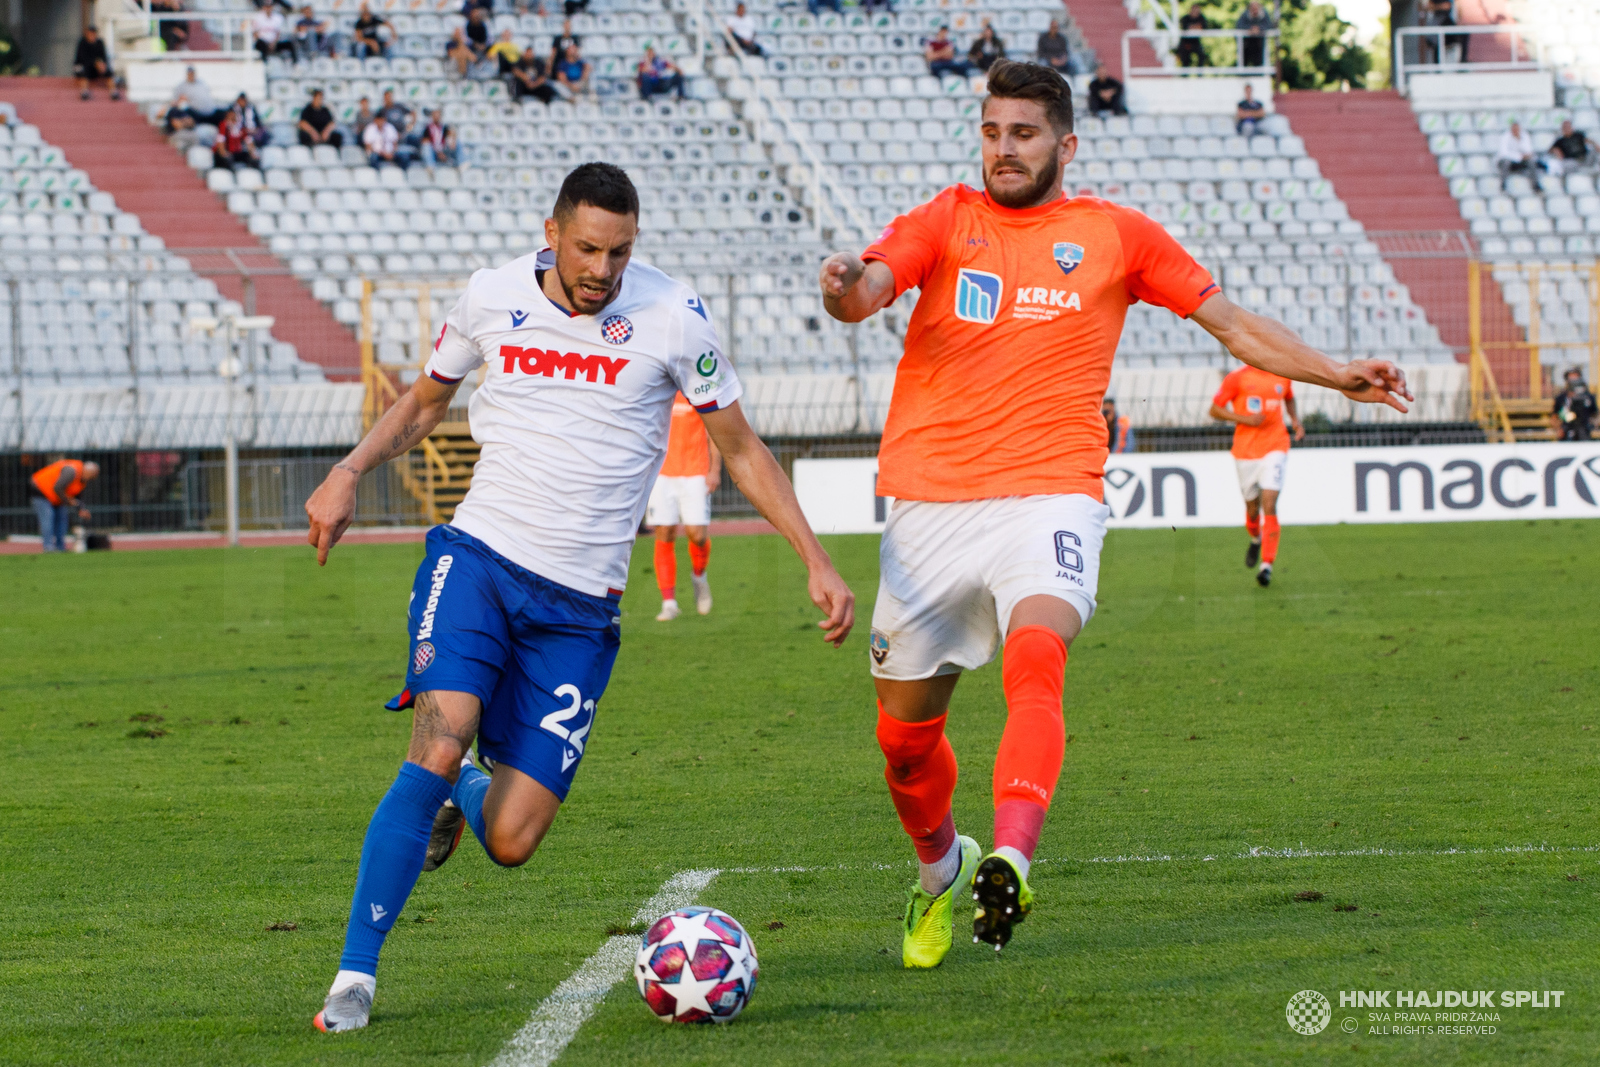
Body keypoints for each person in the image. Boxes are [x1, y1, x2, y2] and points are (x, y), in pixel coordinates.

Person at [816, 59, 1410, 967]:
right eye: (991, 132)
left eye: (1022, 133)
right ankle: (943, 868)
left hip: (1052, 488)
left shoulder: (1116, 234)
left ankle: (1011, 852)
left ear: (1065, 142)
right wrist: (840, 288)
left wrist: (1336, 372)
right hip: (928, 504)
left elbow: (1232, 324)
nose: (1003, 149)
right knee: (903, 742)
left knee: (1038, 653)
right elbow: (867, 291)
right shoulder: (945, 218)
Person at [303, 162, 854, 1034]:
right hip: (478, 560)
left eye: (621, 251)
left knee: (514, 837)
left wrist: (815, 560)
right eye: (589, 248)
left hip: (579, 610)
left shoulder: (673, 316)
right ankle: (354, 977)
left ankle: (466, 793)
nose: (603, 269)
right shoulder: (489, 296)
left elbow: (741, 448)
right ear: (553, 231)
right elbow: (424, 402)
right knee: (439, 737)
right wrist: (346, 471)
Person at [1210, 361, 1303, 586]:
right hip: (1245, 452)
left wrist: (1295, 420)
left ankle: (1266, 565)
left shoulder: (1282, 373)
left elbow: (1289, 396)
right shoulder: (1237, 378)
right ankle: (1255, 538)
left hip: (1276, 446)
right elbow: (1214, 410)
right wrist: (1244, 419)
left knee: (1269, 503)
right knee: (1252, 510)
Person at [648, 392, 723, 620]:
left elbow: (714, 434)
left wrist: (715, 470)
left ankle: (699, 577)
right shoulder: (659, 391)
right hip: (662, 473)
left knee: (697, 535)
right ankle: (669, 603)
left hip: (695, 473)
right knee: (665, 533)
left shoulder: (697, 392)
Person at [29, 459, 98, 553]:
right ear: (88, 471)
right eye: (91, 475)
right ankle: (48, 547)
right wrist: (68, 501)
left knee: (62, 520)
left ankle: (60, 547)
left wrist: (81, 509)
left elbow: (76, 496)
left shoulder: (82, 480)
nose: (91, 479)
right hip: (40, 491)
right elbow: (58, 487)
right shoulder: (71, 471)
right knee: (48, 519)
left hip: (57, 498)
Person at [73, 26, 118, 102]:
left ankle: (113, 92)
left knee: (108, 71)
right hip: (85, 66)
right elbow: (81, 58)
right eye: (90, 33)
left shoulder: (100, 42)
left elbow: (103, 56)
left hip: (97, 67)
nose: (92, 36)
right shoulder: (82, 43)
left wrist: (102, 64)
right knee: (85, 71)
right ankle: (84, 92)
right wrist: (95, 62)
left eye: (94, 34)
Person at [1496, 121, 1544, 192]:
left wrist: (1519, 141)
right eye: (1514, 129)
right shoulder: (1505, 137)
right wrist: (1519, 156)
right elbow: (1504, 153)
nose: (1516, 131)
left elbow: (1529, 151)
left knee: (1531, 162)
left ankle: (1536, 185)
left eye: (1517, 129)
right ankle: (1503, 184)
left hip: (1520, 162)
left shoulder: (1524, 136)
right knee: (1506, 162)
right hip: (1509, 162)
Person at [1552, 367, 1597, 440]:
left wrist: (1593, 426)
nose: (1574, 382)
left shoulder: (1588, 397)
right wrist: (1558, 429)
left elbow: (1595, 414)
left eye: (1576, 378)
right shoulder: (1561, 398)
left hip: (1585, 429)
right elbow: (1555, 416)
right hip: (1566, 430)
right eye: (1571, 379)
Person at [1236, 0, 1273, 69]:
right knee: (1244, 60)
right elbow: (1239, 25)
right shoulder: (1245, 15)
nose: (1255, 11)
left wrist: (1259, 29)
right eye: (1253, 9)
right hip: (1247, 45)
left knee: (1259, 61)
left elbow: (1269, 25)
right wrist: (1250, 29)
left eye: (1256, 8)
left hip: (1260, 45)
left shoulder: (1264, 14)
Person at [1176, 3, 1209, 68]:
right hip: (1185, 43)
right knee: (1185, 60)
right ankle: (1185, 76)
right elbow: (1186, 28)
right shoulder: (1185, 18)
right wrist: (1196, 27)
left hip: (1196, 42)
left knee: (1201, 56)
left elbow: (1204, 27)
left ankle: (1199, 75)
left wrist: (1193, 27)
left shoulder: (1201, 18)